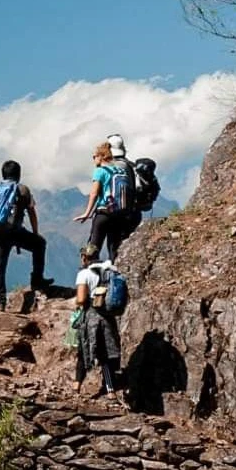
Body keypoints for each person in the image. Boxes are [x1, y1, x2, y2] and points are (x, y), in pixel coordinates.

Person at [0, 160, 54, 311]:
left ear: (3, 174)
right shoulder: (22, 189)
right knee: (40, 244)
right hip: (16, 233)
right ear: (19, 174)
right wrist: (36, 233)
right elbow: (31, 212)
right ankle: (37, 281)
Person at [73, 242, 122, 399]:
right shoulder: (109, 270)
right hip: (108, 317)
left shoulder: (84, 274)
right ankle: (111, 390)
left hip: (91, 317)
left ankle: (77, 386)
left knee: (84, 349)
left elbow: (81, 299)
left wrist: (77, 303)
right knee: (106, 354)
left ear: (84, 257)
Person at [74, 140, 134, 261]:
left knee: (93, 248)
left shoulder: (100, 171)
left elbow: (94, 193)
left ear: (101, 156)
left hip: (103, 213)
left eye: (94, 156)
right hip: (119, 215)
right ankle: (115, 271)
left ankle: (91, 271)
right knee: (114, 249)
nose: (93, 159)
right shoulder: (120, 171)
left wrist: (87, 213)